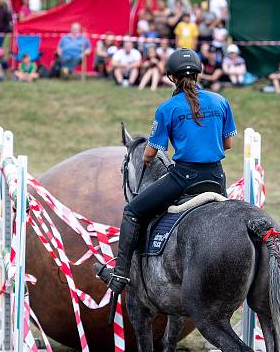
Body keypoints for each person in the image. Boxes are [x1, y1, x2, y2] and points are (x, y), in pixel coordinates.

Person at [94, 48, 235, 304]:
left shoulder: (167, 108)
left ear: (171, 78)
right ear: (200, 73)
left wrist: (147, 158)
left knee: (133, 212)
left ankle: (120, 275)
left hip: (184, 178)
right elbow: (228, 145)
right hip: (216, 179)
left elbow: (151, 150)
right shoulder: (220, 101)